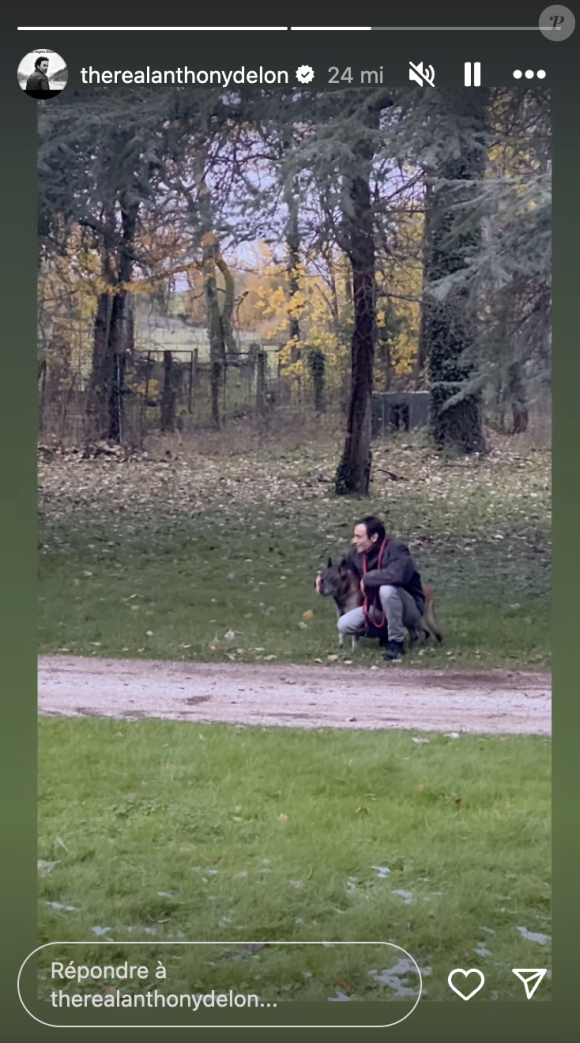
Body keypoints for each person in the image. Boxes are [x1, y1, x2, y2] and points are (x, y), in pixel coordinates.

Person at [338, 516, 425, 660]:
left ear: (374, 537)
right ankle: (384, 633)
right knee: (344, 624)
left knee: (387, 589)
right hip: (377, 607)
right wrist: (322, 577)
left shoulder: (397, 549)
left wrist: (367, 578)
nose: (354, 541)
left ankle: (396, 642)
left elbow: (398, 576)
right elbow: (339, 567)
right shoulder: (356, 554)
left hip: (408, 608)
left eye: (359, 537)